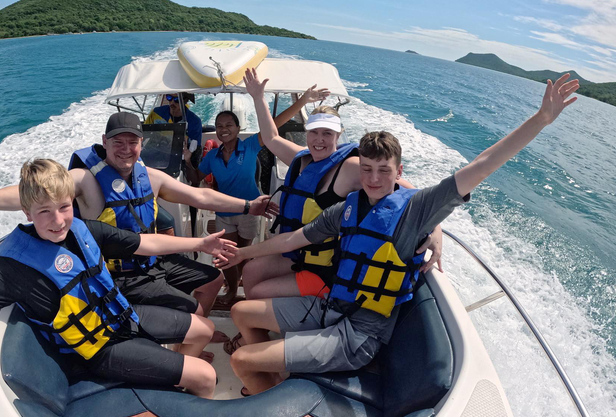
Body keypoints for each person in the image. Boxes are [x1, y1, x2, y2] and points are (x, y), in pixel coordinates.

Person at [218, 74, 578, 395]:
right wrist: (241, 254)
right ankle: (274, 378)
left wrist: (540, 120)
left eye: (383, 171)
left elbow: (481, 166)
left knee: (242, 361)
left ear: (398, 171)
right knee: (240, 311)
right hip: (331, 308)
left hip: (358, 334)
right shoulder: (348, 207)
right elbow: (293, 240)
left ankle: (270, 394)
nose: (374, 179)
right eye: (368, 170)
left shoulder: (414, 210)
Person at [0, 159, 242, 398]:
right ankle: (186, 402)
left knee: (205, 329)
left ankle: (172, 382)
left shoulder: (81, 228)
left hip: (120, 317)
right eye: (44, 212)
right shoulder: (13, 265)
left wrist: (201, 243)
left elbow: (145, 242)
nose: (58, 220)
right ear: (27, 212)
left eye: (63, 207)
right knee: (206, 376)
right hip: (96, 350)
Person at [0, 113, 278, 325]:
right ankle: (192, 338)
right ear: (105, 143)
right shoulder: (87, 180)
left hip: (154, 260)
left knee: (213, 278)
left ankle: (192, 334)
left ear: (142, 145)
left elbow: (201, 196)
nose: (126, 148)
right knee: (189, 307)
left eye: (133, 142)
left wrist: (249, 206)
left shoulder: (151, 177)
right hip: (117, 276)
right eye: (118, 142)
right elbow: (38, 191)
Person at [240, 68, 442, 305]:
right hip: (296, 250)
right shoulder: (301, 158)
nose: (320, 139)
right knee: (250, 272)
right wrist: (257, 97)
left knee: (256, 294)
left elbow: (411, 193)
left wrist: (436, 229)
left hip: (325, 267)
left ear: (339, 135)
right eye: (314, 132)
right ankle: (257, 328)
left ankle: (259, 330)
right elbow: (272, 138)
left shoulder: (350, 167)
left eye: (328, 133)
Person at [182, 85, 330, 306]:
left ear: (238, 127)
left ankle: (245, 283)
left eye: (228, 125)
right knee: (227, 255)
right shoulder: (212, 156)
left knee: (245, 253)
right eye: (219, 126)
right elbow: (195, 178)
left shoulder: (251, 145)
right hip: (224, 211)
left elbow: (276, 123)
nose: (223, 130)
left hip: (250, 211)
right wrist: (186, 159)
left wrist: (302, 101)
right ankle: (232, 289)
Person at [145, 92, 203, 160]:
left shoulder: (195, 122)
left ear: (185, 100)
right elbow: (144, 133)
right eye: (169, 97)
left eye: (176, 99)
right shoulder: (156, 113)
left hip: (178, 158)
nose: (172, 102)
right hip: (154, 154)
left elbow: (195, 152)